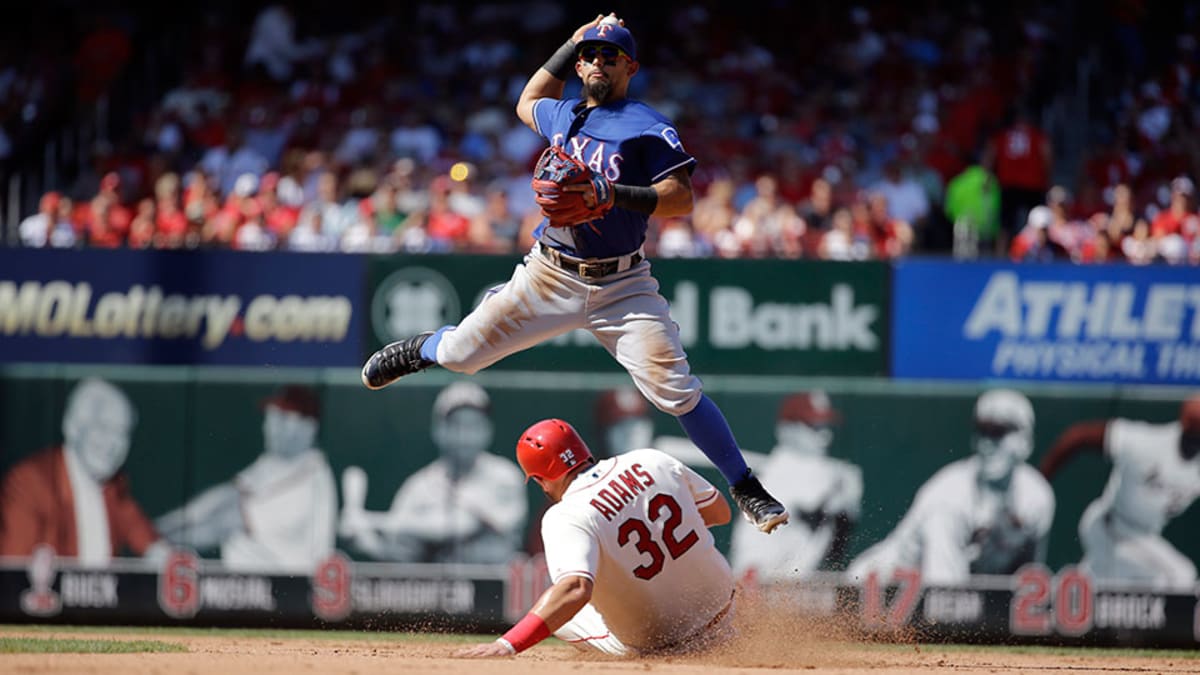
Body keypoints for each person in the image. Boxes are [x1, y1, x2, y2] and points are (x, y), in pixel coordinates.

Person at [360, 13, 787, 534]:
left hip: (622, 285)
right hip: (550, 273)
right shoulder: (565, 114)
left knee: (675, 389)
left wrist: (615, 194)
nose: (598, 64)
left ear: (630, 67)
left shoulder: (646, 123)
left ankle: (745, 485)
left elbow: (680, 199)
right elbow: (525, 102)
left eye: (611, 57)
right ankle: (421, 347)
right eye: (591, 56)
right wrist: (573, 39)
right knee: (459, 356)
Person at [457, 418, 735, 658]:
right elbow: (720, 513)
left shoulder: (565, 515)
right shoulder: (651, 459)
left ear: (541, 479)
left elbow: (575, 590)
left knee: (561, 612)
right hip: (728, 614)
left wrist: (508, 644)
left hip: (664, 645)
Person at [847, 389, 1055, 586]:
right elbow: (943, 597)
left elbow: (1028, 581)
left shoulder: (1037, 497)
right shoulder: (951, 495)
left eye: (999, 432)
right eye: (983, 431)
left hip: (945, 593)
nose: (988, 443)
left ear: (1026, 442)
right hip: (879, 585)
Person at [338, 381, 527, 563]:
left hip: (495, 587)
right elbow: (400, 552)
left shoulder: (505, 477)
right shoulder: (419, 485)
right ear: (438, 430)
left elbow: (460, 526)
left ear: (488, 431)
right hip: (437, 592)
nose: (465, 434)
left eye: (474, 425)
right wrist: (364, 540)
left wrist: (368, 520)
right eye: (456, 425)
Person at [154, 385, 336, 573]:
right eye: (271, 418)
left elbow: (227, 522)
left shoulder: (311, 479)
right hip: (250, 583)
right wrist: (157, 528)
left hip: (290, 588)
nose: (271, 426)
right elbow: (224, 496)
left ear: (310, 428)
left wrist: (152, 543)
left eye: (282, 419)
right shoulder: (276, 462)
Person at [1038, 394, 1200, 590]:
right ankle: (1061, 597)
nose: (1195, 441)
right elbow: (1077, 436)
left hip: (1142, 537)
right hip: (1110, 525)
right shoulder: (1148, 443)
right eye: (1193, 433)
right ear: (1183, 424)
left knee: (1101, 584)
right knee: (1178, 577)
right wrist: (1039, 482)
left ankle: (1064, 593)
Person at [0, 378, 167, 565]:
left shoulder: (114, 485)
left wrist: (167, 558)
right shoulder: (30, 481)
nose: (113, 443)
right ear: (73, 427)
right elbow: (11, 573)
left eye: (122, 432)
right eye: (103, 427)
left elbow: (148, 540)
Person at [730, 391, 862, 581]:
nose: (825, 436)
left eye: (826, 426)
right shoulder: (784, 469)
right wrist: (841, 484)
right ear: (787, 429)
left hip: (791, 582)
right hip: (760, 581)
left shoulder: (818, 468)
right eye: (814, 427)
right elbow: (818, 503)